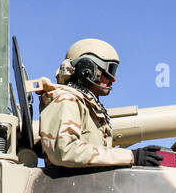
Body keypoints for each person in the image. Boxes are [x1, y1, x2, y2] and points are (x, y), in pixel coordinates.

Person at [36, 39, 165, 168]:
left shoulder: (87, 106)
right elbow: (63, 151)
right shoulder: (66, 100)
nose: (113, 79)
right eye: (110, 70)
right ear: (87, 69)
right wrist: (131, 156)